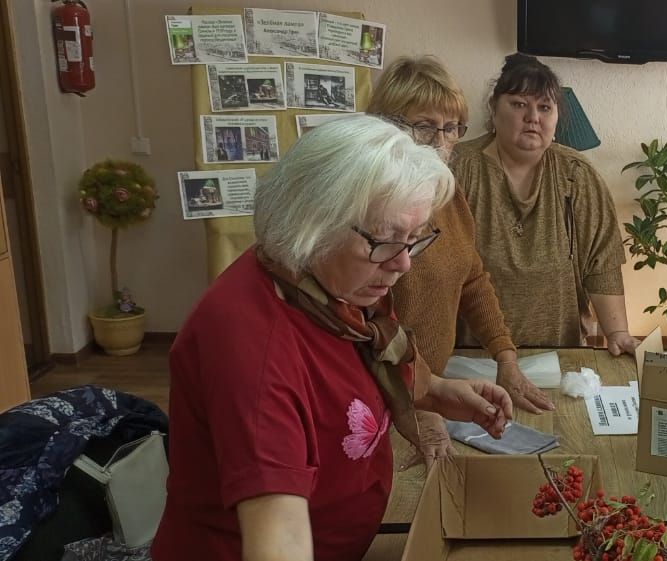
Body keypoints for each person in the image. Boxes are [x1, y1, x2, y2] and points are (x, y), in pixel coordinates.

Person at [152, 115, 514, 561]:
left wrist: (437, 391)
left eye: (413, 240)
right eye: (385, 241)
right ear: (313, 224)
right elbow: (278, 541)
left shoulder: (327, 283)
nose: (403, 264)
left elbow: (367, 354)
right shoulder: (253, 349)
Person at [370, 55, 555, 417]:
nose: (440, 142)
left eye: (452, 128)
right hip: (382, 398)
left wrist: (506, 357)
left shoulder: (447, 193)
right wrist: (417, 398)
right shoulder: (372, 205)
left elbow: (472, 278)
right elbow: (363, 325)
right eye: (425, 126)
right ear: (386, 126)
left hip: (425, 390)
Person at [451, 53, 637, 354]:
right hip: (471, 353)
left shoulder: (577, 175)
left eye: (544, 107)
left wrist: (617, 332)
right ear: (494, 109)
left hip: (559, 350)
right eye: (519, 104)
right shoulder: (458, 169)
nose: (533, 117)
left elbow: (602, 265)